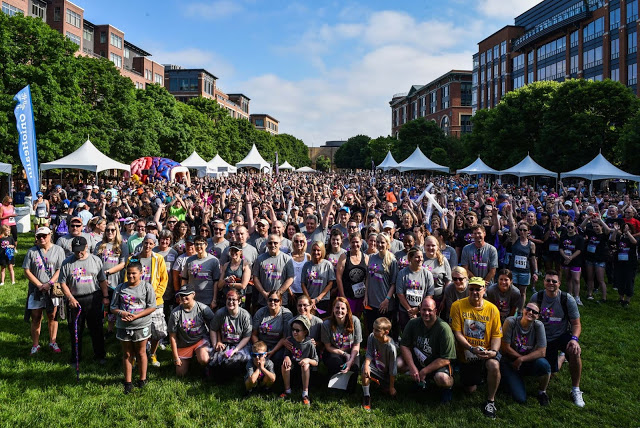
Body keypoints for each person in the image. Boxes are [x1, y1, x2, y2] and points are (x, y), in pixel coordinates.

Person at [450, 277, 503, 419]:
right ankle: (482, 376)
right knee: (470, 389)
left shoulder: (493, 309)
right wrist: (471, 348)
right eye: (471, 289)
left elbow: (497, 335)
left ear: (484, 290)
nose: (474, 292)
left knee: (494, 365)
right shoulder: (457, 306)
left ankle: (490, 401)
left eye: (478, 289)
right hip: (467, 353)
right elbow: (457, 333)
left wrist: (493, 352)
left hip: (487, 350)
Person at [530, 271, 585, 407]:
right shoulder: (537, 297)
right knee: (551, 371)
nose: (551, 283)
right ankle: (561, 357)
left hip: (561, 335)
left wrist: (574, 339)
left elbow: (576, 324)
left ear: (559, 283)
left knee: (574, 351)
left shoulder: (567, 299)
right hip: (543, 339)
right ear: (544, 282)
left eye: (554, 281)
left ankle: (576, 390)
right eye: (548, 280)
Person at [59, 236, 109, 365]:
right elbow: (62, 283)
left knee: (96, 328)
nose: (79, 253)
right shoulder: (67, 263)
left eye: (81, 250)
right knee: (76, 330)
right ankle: (76, 357)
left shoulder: (95, 260)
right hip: (75, 300)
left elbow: (102, 280)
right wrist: (70, 298)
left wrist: (105, 296)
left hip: (93, 297)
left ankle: (100, 355)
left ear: (86, 247)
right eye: (76, 250)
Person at [110, 261, 157, 393]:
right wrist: (121, 313)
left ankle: (142, 379)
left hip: (141, 325)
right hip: (123, 326)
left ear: (141, 273)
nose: (130, 276)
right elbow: (113, 307)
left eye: (134, 273)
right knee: (127, 353)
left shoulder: (147, 287)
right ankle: (128, 382)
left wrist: (137, 316)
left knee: (141, 352)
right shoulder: (120, 288)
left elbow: (152, 306)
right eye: (128, 273)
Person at [399, 297, 456, 404]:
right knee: (398, 364)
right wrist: (412, 367)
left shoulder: (443, 328)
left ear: (436, 311)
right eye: (424, 309)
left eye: (430, 310)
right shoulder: (413, 323)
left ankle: (447, 389)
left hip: (437, 364)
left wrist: (424, 371)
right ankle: (420, 381)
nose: (426, 313)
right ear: (419, 310)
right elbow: (404, 345)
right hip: (419, 359)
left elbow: (446, 359)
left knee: (442, 378)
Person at [23, 226, 66, 354]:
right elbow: (26, 270)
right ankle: (35, 344)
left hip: (53, 288)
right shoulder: (31, 251)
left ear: (50, 235)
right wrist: (39, 285)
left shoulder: (58, 250)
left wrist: (50, 283)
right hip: (36, 289)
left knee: (52, 315)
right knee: (36, 316)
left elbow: (60, 269)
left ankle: (53, 341)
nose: (41, 238)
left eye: (44, 236)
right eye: (38, 236)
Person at [500, 302, 551, 406]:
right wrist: (519, 358)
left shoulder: (538, 325)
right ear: (523, 310)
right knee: (520, 398)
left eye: (535, 312)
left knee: (545, 365)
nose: (530, 312)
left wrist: (522, 359)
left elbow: (542, 352)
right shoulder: (510, 322)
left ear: (538, 316)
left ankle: (542, 392)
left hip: (528, 361)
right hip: (510, 362)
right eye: (528, 309)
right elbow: (505, 348)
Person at [129, 234, 168, 367]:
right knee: (135, 331)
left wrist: (155, 295)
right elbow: (127, 278)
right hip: (137, 301)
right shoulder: (134, 259)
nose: (148, 246)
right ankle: (135, 356)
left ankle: (152, 354)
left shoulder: (158, 259)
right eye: (146, 243)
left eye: (151, 243)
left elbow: (164, 280)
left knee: (157, 331)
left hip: (155, 301)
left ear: (154, 245)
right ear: (142, 243)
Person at [168, 284, 215, 377]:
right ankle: (190, 360)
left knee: (204, 359)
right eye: (181, 295)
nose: (183, 297)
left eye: (186, 295)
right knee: (181, 374)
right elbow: (172, 337)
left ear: (193, 294)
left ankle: (205, 364)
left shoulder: (202, 308)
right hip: (184, 344)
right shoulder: (175, 313)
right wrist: (176, 357)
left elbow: (213, 326)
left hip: (200, 341)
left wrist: (214, 343)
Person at [94, 222, 128, 337]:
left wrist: (107, 272)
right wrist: (101, 276)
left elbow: (122, 264)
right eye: (107, 230)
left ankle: (110, 329)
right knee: (100, 306)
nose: (110, 232)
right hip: (100, 281)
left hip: (115, 281)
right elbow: (95, 262)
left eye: (112, 230)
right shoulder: (99, 245)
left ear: (116, 231)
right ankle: (98, 328)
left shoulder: (122, 245)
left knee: (112, 307)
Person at [279, 315, 319, 406]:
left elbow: (316, 361)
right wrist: (286, 357)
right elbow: (286, 354)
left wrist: (308, 360)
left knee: (305, 365)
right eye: (293, 329)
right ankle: (287, 390)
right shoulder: (290, 340)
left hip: (305, 370)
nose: (294, 332)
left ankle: (305, 393)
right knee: (285, 365)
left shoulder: (309, 344)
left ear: (305, 332)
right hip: (293, 367)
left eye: (297, 330)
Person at [321, 297, 362, 384]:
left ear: (347, 310)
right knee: (337, 364)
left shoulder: (355, 321)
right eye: (337, 307)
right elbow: (328, 347)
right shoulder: (326, 324)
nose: (339, 310)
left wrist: (350, 359)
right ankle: (335, 384)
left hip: (352, 351)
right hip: (334, 351)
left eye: (343, 308)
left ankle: (349, 387)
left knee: (354, 367)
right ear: (333, 309)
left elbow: (356, 345)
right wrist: (345, 354)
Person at [361, 317, 400, 411]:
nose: (374, 332)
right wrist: (366, 366)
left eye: (377, 330)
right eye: (373, 329)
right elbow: (369, 353)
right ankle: (366, 396)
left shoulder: (391, 347)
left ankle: (384, 385)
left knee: (387, 391)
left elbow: (393, 369)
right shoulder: (372, 336)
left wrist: (391, 387)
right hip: (375, 367)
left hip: (386, 374)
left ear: (386, 332)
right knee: (364, 368)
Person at [210, 289, 253, 373]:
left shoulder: (245, 315)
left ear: (239, 301)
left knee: (242, 360)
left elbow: (247, 337)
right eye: (229, 299)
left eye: (234, 300)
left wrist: (235, 350)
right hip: (224, 344)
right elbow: (213, 329)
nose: (231, 302)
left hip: (240, 344)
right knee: (217, 360)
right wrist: (215, 345)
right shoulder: (220, 313)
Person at [364, 232, 398, 337]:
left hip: (384, 303)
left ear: (387, 243)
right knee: (372, 328)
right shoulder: (371, 257)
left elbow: (393, 283)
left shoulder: (392, 260)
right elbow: (368, 278)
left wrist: (387, 300)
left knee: (383, 331)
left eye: (382, 242)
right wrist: (366, 296)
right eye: (377, 242)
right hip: (371, 300)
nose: (379, 244)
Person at [251, 291, 293, 370]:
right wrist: (260, 350)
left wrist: (272, 351)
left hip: (278, 345)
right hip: (262, 344)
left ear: (280, 302)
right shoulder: (260, 312)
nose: (272, 302)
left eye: (276, 300)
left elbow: (284, 338)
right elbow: (254, 334)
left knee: (277, 357)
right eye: (270, 300)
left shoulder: (286, 314)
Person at [396, 246, 434, 331]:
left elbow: (430, 294)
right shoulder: (402, 273)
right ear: (410, 258)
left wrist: (418, 309)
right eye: (417, 257)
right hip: (405, 311)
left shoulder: (428, 274)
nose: (420, 259)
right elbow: (400, 293)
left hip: (422, 311)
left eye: (421, 257)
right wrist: (410, 310)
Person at [252, 234, 294, 308]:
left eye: (275, 243)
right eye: (270, 243)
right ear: (266, 244)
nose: (273, 245)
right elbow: (255, 278)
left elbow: (290, 278)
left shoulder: (287, 259)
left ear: (280, 244)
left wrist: (278, 293)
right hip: (264, 300)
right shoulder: (260, 259)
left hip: (281, 300)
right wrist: (264, 293)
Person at [181, 235, 220, 309]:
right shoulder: (189, 260)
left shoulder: (213, 261)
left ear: (206, 245)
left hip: (208, 300)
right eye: (196, 244)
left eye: (201, 244)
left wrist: (214, 300)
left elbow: (216, 282)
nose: (198, 246)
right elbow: (184, 280)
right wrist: (183, 296)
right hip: (192, 299)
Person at [301, 241, 335, 315]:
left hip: (323, 300)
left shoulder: (327, 265)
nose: (316, 252)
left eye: (318, 250)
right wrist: (309, 299)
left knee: (323, 320)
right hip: (309, 300)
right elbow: (303, 283)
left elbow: (330, 284)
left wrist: (318, 299)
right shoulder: (306, 265)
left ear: (322, 251)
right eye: (314, 250)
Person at [213, 243, 251, 309]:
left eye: (236, 250)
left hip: (240, 298)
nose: (233, 252)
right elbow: (219, 285)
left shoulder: (245, 265)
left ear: (240, 252)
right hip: (226, 297)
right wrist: (226, 280)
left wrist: (230, 284)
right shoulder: (226, 265)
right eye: (232, 250)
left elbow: (243, 285)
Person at [610, 219, 637, 306]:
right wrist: (615, 231)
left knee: (629, 281)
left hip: (630, 264)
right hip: (620, 263)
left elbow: (634, 242)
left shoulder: (634, 237)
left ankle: (627, 300)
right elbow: (612, 240)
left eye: (628, 228)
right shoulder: (620, 237)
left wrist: (627, 233)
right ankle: (621, 298)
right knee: (620, 280)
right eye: (625, 228)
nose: (626, 230)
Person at [559, 221, 585, 305]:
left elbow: (579, 250)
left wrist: (570, 257)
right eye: (568, 227)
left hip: (575, 260)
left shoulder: (579, 238)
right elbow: (560, 248)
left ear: (575, 228)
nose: (570, 228)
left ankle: (577, 297)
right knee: (568, 278)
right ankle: (570, 294)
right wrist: (564, 256)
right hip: (565, 260)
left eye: (572, 227)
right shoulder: (563, 236)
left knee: (576, 279)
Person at [422, 235, 451, 304]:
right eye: (428, 245)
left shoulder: (443, 260)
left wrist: (444, 299)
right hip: (421, 299)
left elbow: (448, 281)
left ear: (437, 247)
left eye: (433, 245)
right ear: (424, 246)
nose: (430, 248)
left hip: (438, 299)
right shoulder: (420, 258)